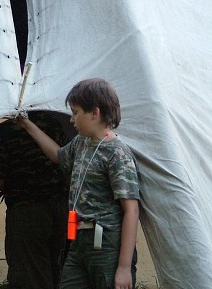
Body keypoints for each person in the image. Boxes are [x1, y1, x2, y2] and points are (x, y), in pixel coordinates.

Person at [16, 78, 139, 289]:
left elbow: (131, 210)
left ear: (95, 113)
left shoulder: (117, 154)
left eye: (75, 112)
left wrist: (124, 267)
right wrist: (27, 124)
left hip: (106, 245)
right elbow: (57, 155)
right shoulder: (81, 143)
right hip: (78, 240)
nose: (72, 119)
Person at [0, 111, 69, 289]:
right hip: (63, 208)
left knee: (29, 272)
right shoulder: (54, 124)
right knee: (63, 266)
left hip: (26, 210)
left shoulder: (4, 130)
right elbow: (68, 164)